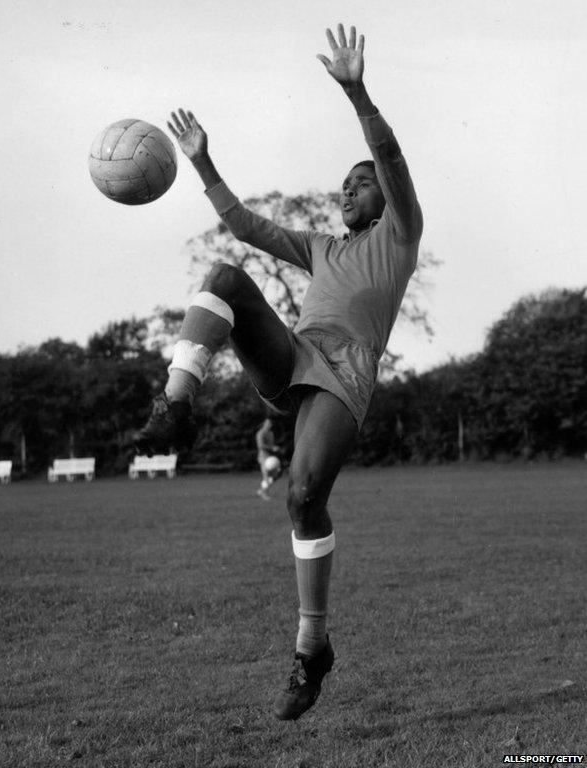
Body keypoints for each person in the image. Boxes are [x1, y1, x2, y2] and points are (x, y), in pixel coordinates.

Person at [134, 23, 423, 720]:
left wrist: (357, 92)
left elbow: (389, 161)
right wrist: (202, 163)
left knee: (300, 497)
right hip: (296, 354)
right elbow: (242, 224)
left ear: (383, 198)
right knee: (227, 274)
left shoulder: (400, 234)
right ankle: (175, 405)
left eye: (361, 184)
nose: (348, 190)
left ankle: (310, 648)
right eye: (345, 184)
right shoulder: (322, 246)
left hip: (342, 376)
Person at [256, 418, 280, 500]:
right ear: (264, 424)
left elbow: (272, 445)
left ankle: (262, 490)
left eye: (270, 423)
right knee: (266, 475)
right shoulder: (260, 433)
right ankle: (264, 493)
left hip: (271, 457)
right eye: (268, 423)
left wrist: (274, 450)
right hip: (263, 457)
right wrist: (272, 448)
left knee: (276, 475)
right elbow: (260, 446)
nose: (270, 424)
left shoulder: (270, 433)